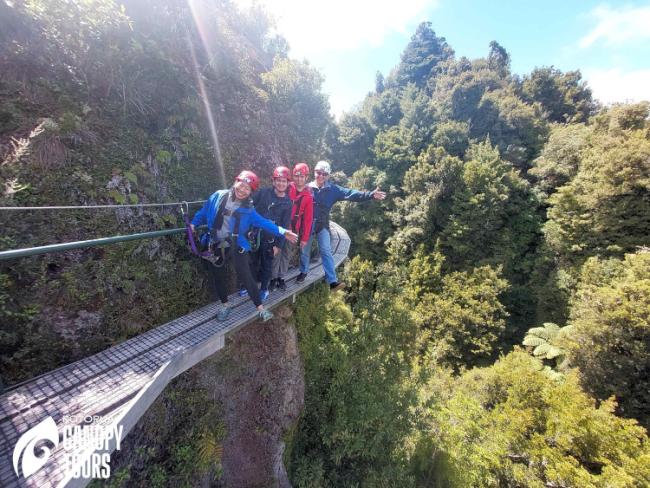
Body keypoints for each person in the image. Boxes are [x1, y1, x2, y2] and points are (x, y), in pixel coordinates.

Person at [190, 170, 298, 321]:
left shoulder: (248, 210)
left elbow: (263, 222)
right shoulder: (218, 196)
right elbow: (204, 212)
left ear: (250, 192)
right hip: (215, 242)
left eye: (247, 189)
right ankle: (225, 305)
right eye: (241, 185)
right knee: (218, 276)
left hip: (236, 244)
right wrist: (194, 224)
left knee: (246, 274)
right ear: (235, 182)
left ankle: (260, 308)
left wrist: (283, 231)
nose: (242, 190)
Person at [298, 160, 386, 290]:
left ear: (328, 176)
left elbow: (350, 193)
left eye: (324, 174)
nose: (321, 176)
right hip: (307, 225)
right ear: (314, 172)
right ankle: (303, 271)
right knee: (304, 250)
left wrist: (370, 195)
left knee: (326, 251)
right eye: (319, 173)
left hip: (322, 224)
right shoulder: (307, 188)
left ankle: (332, 281)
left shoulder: (332, 190)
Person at [251, 166, 292, 300]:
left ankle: (264, 289)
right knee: (252, 262)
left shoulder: (288, 203)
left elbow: (285, 225)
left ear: (287, 183)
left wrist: (279, 245)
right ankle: (249, 286)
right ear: (273, 181)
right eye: (278, 180)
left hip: (271, 239)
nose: (281, 183)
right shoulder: (263, 193)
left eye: (284, 181)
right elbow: (249, 203)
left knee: (266, 265)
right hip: (255, 235)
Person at [271, 162, 313, 290]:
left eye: (302, 176)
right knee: (275, 252)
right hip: (280, 227)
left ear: (306, 178)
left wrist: (305, 238)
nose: (299, 179)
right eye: (297, 176)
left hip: (293, 230)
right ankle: (273, 278)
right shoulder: (287, 188)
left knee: (286, 254)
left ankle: (281, 278)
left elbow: (307, 219)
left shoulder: (308, 197)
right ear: (293, 176)